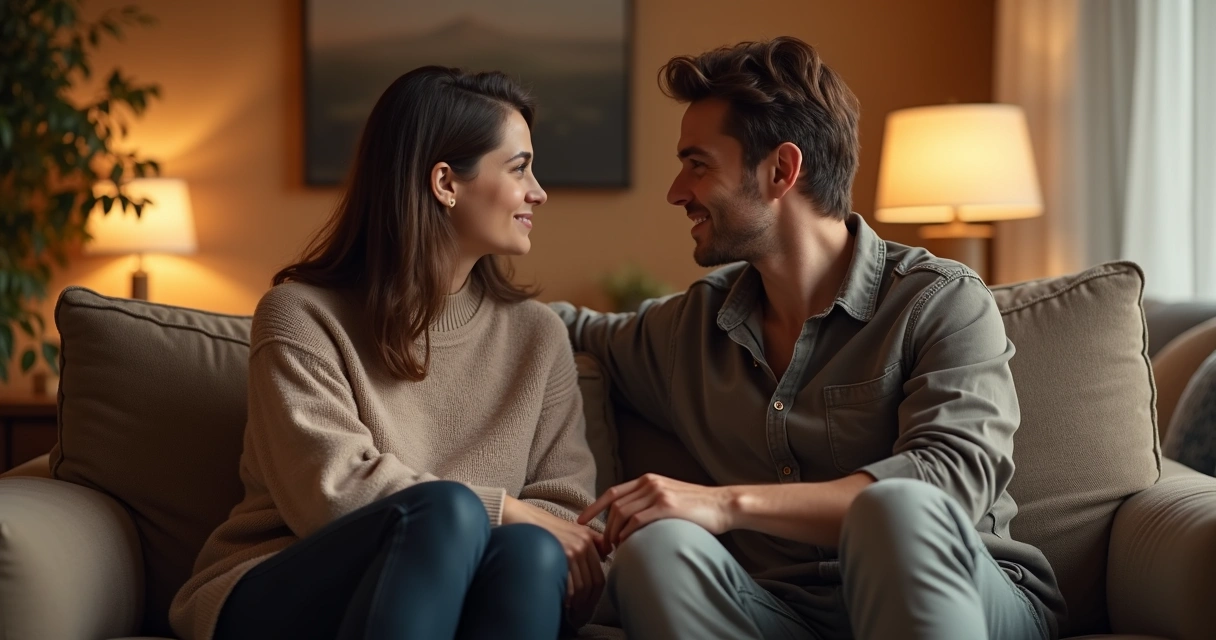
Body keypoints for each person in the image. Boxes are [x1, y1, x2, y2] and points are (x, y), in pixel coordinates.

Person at [554, 37, 1066, 640]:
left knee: (896, 509)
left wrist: (724, 505)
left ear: (781, 170)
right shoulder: (687, 329)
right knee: (657, 550)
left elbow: (949, 482)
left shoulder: (940, 300)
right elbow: (558, 328)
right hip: (783, 614)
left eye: (697, 164)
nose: (676, 191)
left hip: (968, 599)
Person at [170, 66, 607, 640]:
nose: (539, 192)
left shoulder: (537, 335)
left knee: (531, 551)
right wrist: (500, 508)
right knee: (446, 513)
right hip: (282, 584)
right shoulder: (301, 315)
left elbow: (565, 511)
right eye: (519, 168)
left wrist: (519, 522)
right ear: (446, 182)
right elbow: (331, 491)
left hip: (474, 585)